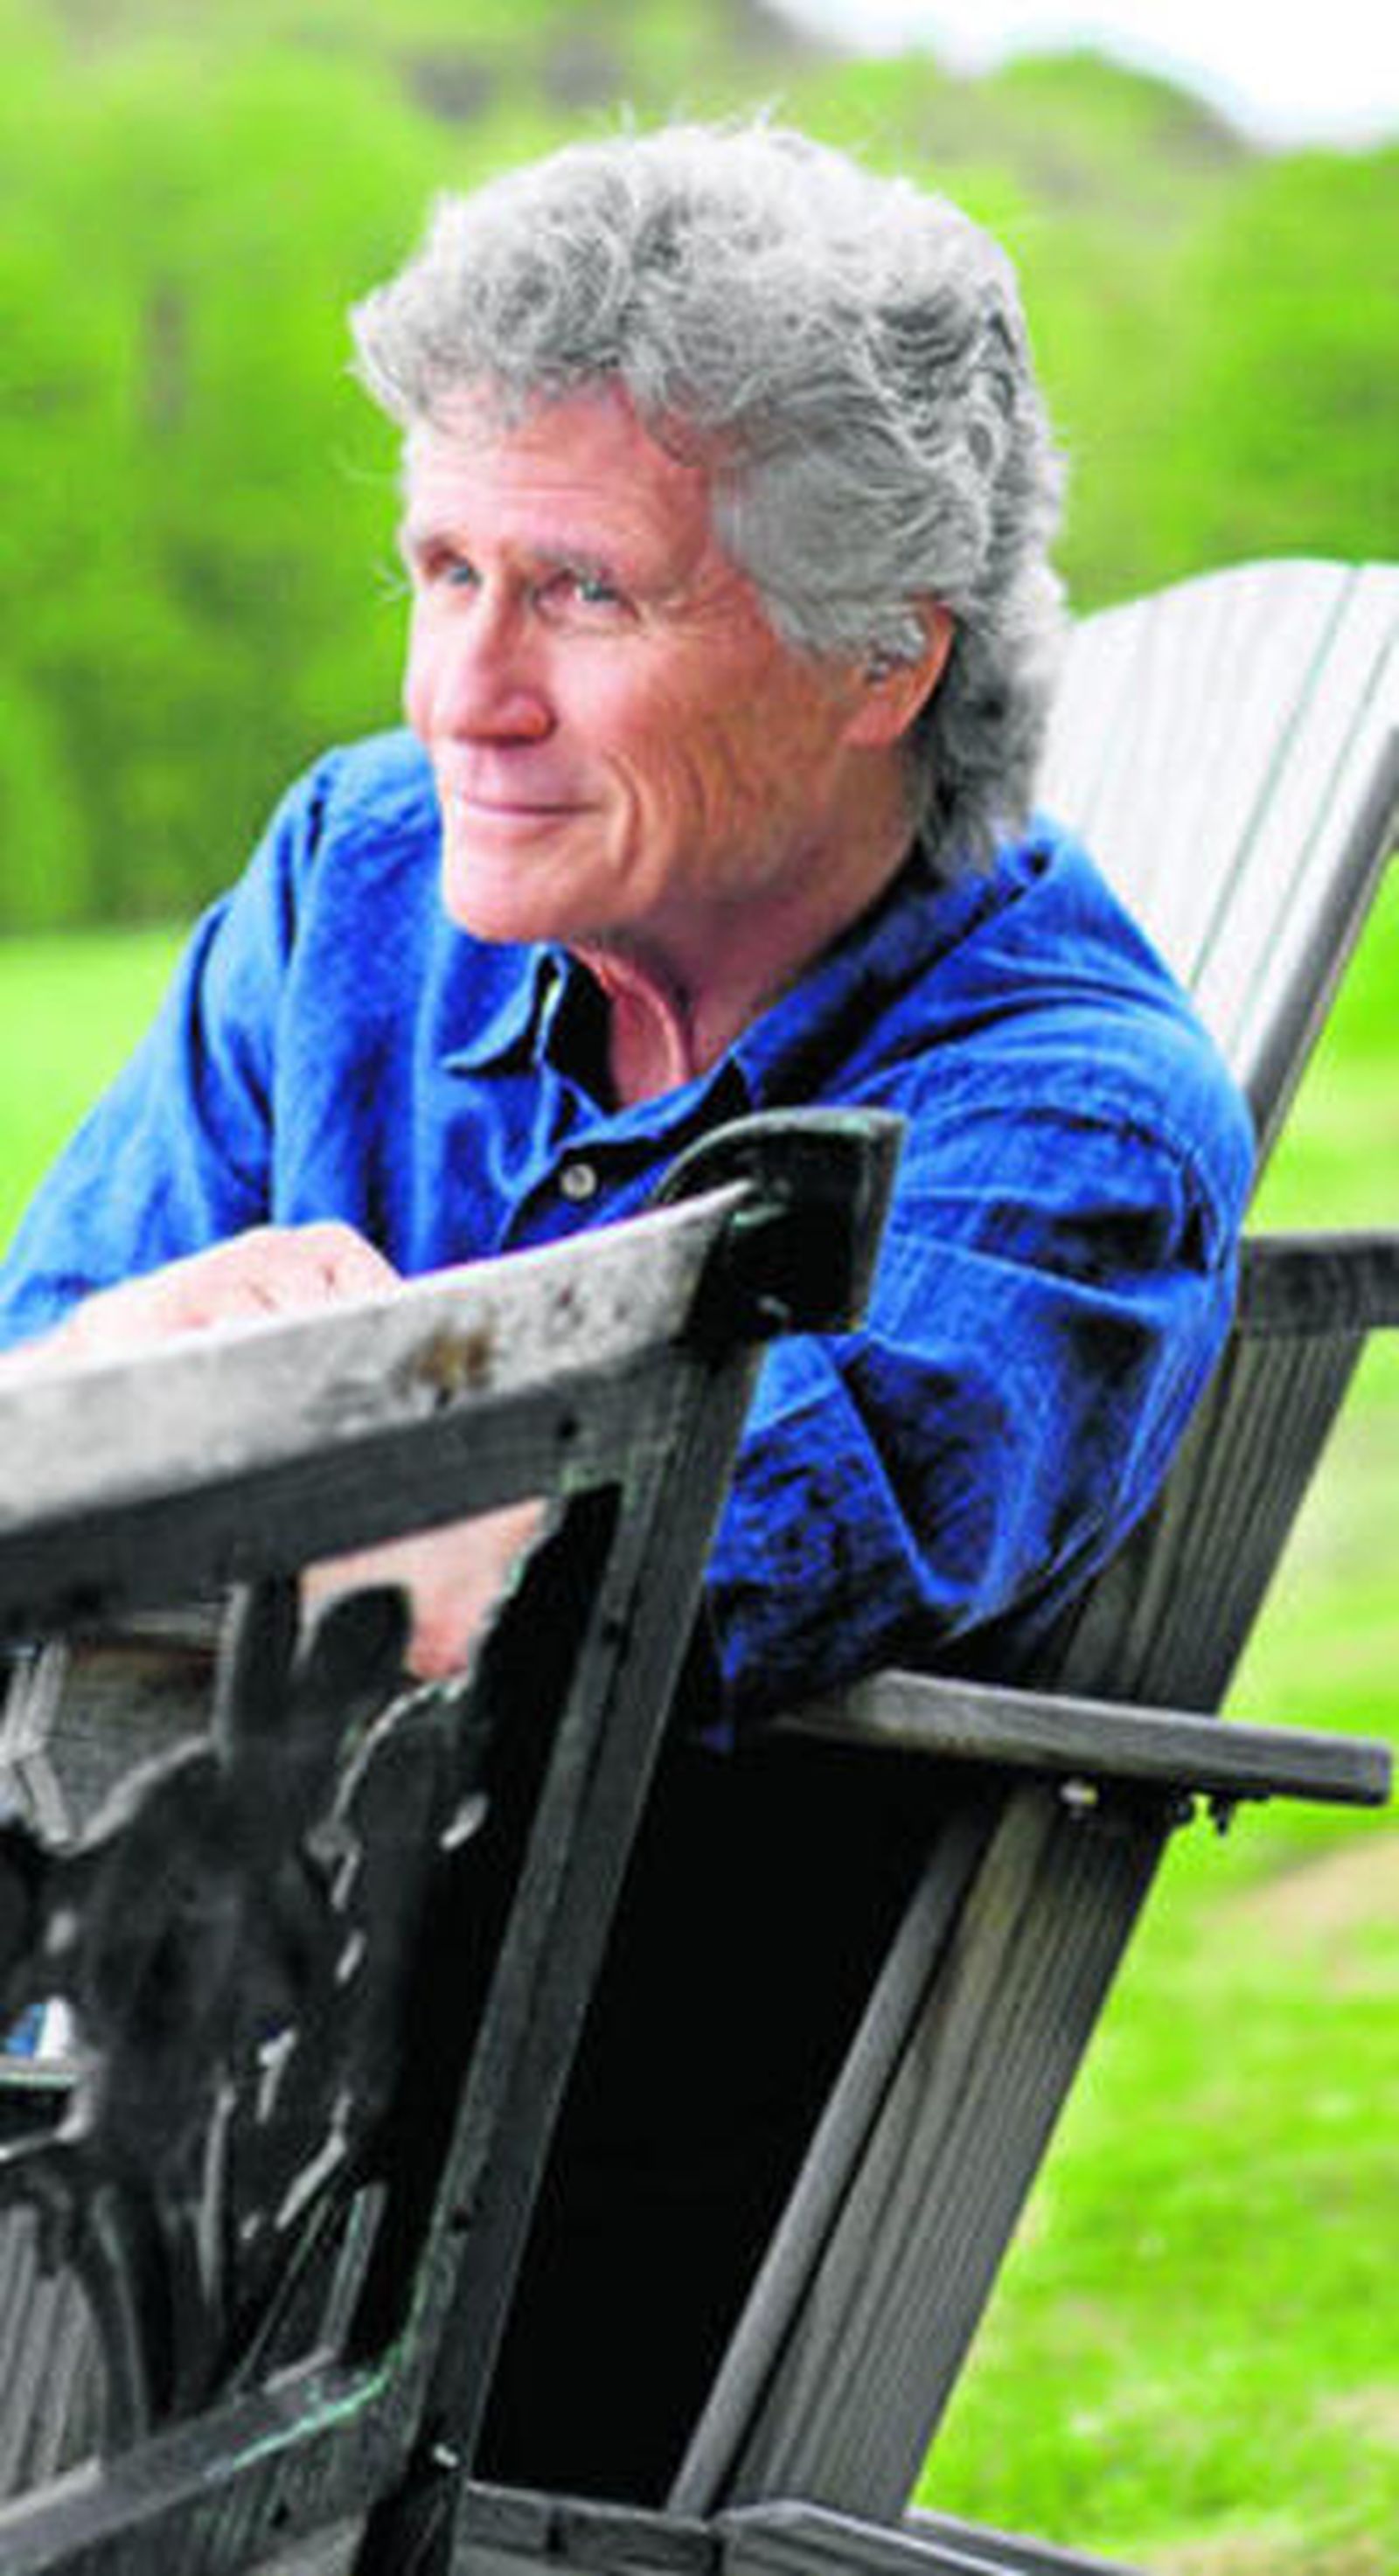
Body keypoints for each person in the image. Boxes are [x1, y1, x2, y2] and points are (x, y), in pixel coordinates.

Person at [0, 122, 1254, 2492]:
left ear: (883, 655)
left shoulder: (1066, 1122)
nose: (463, 690)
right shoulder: (359, 879)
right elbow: (40, 1394)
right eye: (441, 568)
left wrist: (301, 1420)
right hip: (119, 2092)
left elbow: (644, 1576)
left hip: (438, 2264)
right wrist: (118, 1365)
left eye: (579, 591)